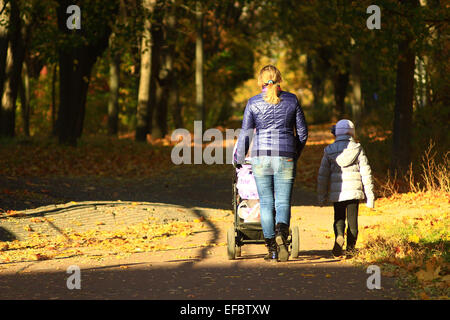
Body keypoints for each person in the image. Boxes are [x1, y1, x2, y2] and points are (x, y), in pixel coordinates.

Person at [233, 65, 308, 262]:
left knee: (266, 202)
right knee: (283, 202)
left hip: (260, 158)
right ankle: (281, 235)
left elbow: (246, 134)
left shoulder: (253, 102)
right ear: (279, 79)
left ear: (260, 82)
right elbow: (302, 133)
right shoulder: (292, 100)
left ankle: (272, 250)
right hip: (285, 156)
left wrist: (239, 159)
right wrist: (294, 153)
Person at [317, 119, 375, 257]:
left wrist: (321, 196)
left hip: (338, 193)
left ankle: (338, 236)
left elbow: (323, 175)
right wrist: (370, 197)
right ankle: (350, 249)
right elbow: (366, 172)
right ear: (352, 132)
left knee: (339, 218)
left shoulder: (329, 150)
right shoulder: (358, 149)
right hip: (354, 192)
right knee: (353, 222)